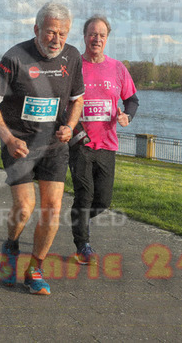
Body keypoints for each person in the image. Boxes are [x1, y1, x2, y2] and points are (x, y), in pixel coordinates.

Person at [0, 3, 84, 295]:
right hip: (20, 145)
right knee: (25, 208)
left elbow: (77, 99)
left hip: (54, 145)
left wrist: (70, 126)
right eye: (51, 32)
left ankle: (35, 269)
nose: (57, 39)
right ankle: (11, 246)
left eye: (63, 33)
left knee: (52, 210)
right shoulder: (15, 57)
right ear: (37, 29)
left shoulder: (72, 57)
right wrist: (8, 138)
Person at [68, 14, 139, 264]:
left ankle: (78, 219)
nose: (96, 39)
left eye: (101, 35)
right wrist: (75, 131)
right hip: (80, 143)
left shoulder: (117, 68)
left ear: (107, 38)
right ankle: (83, 245)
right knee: (85, 194)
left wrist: (127, 116)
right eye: (92, 34)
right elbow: (61, 102)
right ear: (84, 36)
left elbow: (132, 100)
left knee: (103, 200)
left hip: (107, 144)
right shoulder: (74, 66)